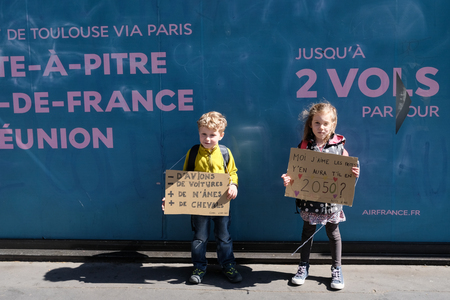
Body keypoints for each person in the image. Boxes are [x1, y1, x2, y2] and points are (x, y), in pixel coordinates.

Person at [281, 102, 359, 290]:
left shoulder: (340, 147)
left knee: (333, 234)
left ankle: (337, 269)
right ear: (310, 124)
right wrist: (288, 179)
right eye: (317, 123)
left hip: (331, 203)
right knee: (307, 232)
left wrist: (354, 174)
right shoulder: (304, 146)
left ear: (333, 125)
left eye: (325, 123)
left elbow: (348, 176)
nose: (321, 127)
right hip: (310, 202)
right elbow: (295, 173)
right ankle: (303, 266)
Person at [162, 111, 241, 284]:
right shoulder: (193, 153)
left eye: (212, 135)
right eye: (203, 134)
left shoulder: (225, 152)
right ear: (199, 134)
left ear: (221, 135)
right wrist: (170, 197)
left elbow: (232, 172)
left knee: (224, 236)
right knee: (199, 237)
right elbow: (183, 179)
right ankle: (199, 267)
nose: (207, 139)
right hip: (198, 205)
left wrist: (233, 185)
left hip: (221, 202)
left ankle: (228, 265)